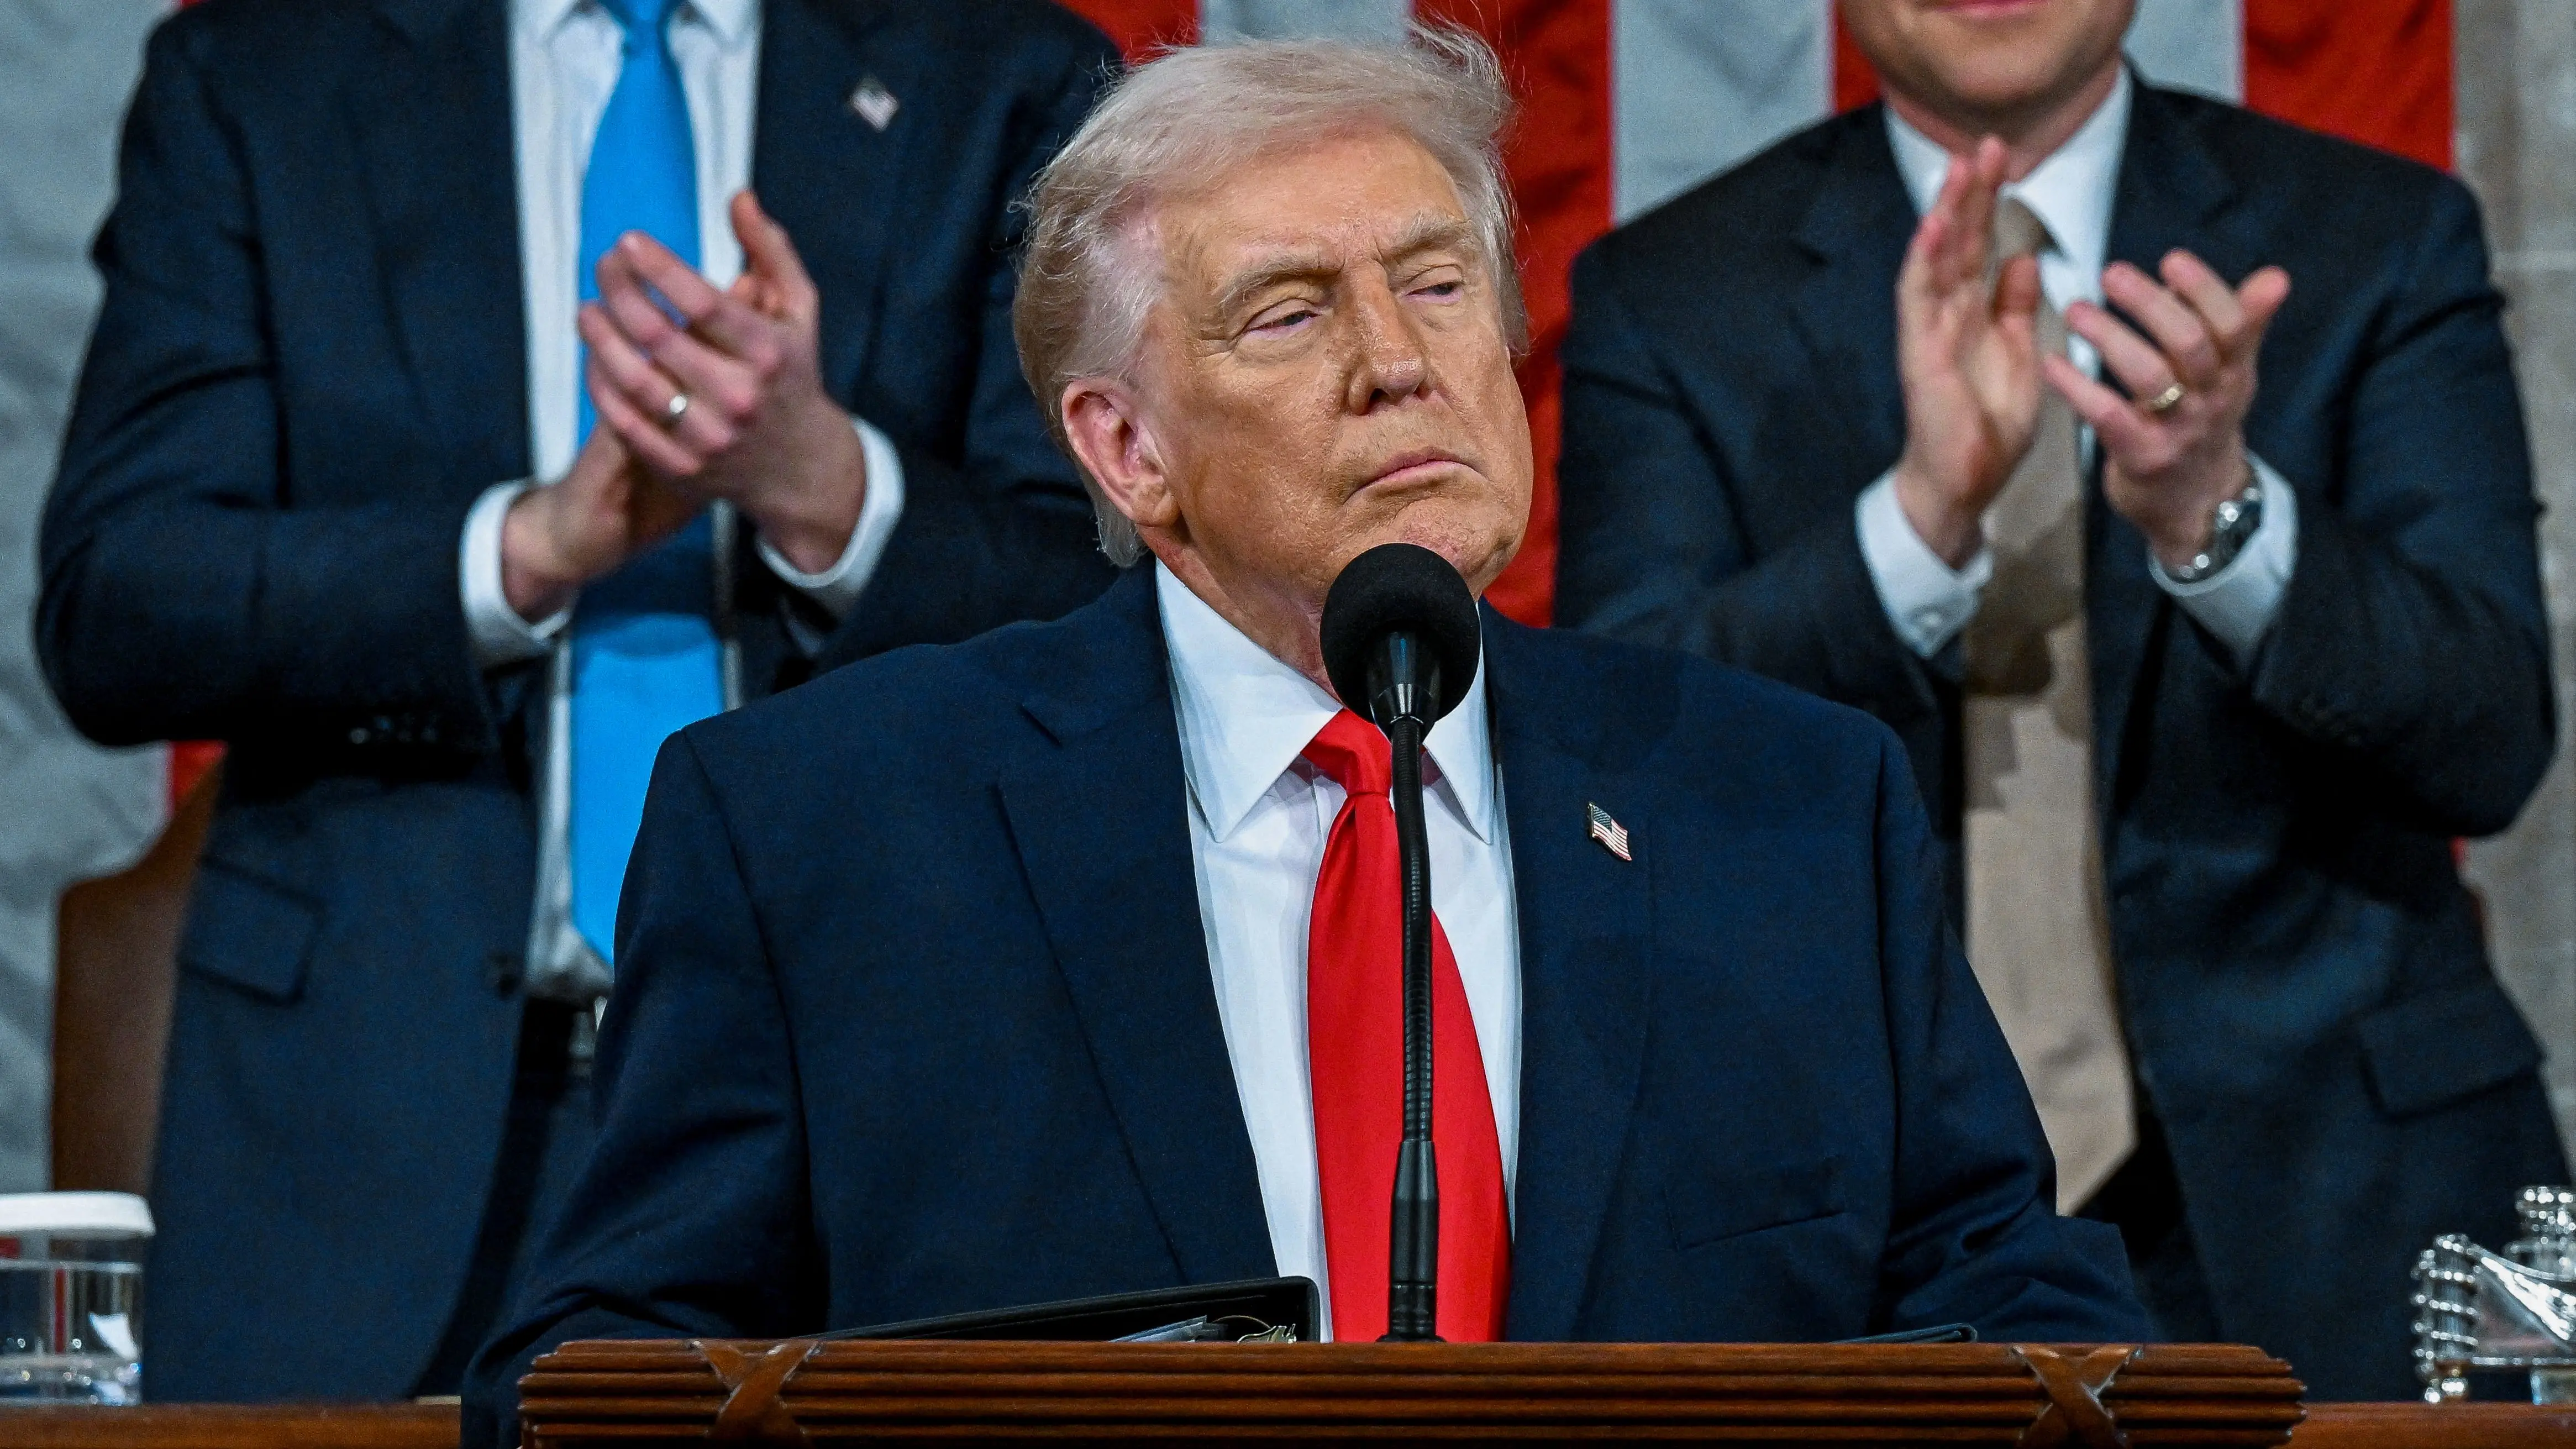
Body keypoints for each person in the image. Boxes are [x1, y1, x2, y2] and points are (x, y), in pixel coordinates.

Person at [462, 29, 2147, 1442]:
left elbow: (2021, 1320)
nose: (1396, 363)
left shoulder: (1782, 802)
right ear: (1125, 450)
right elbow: (591, 1377)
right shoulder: (821, 827)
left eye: (1435, 285)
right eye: (1288, 312)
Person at [36, 0, 1121, 1401]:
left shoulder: (1005, 74)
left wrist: (829, 491)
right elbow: (116, 603)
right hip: (357, 1123)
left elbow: (1124, 612)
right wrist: (525, 551)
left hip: (874, 1096)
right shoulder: (259, 74)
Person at [1554, 0, 2566, 1400]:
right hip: (1885, 1214)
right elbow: (1619, 783)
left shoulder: (2372, 236)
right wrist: (1917, 528)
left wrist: (2219, 515)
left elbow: (2490, 737)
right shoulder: (1668, 293)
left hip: (2341, 1189)